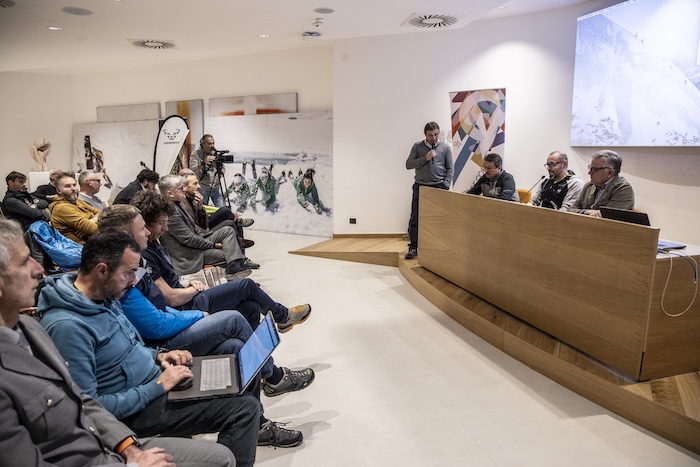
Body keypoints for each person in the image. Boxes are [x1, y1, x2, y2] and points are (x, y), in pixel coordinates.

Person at [0, 218, 237, 467]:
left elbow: (81, 400)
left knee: (231, 358)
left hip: (118, 431)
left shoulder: (28, 328)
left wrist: (127, 445)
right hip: (120, 427)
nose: (39, 269)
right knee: (229, 435)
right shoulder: (64, 326)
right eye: (24, 261)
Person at [98, 204, 313, 447]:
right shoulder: (123, 277)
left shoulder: (134, 266)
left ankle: (258, 424)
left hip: (165, 336)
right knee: (234, 317)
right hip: (162, 345)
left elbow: (160, 308)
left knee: (237, 341)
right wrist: (197, 315)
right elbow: (155, 324)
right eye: (142, 228)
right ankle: (273, 376)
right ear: (124, 236)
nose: (148, 231)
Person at [127, 190, 312, 334]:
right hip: (186, 305)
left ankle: (253, 361)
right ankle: (283, 316)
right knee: (246, 286)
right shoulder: (145, 252)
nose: (166, 228)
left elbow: (167, 285)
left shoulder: (151, 244)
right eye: (161, 223)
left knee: (251, 307)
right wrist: (193, 290)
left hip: (187, 296)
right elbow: (171, 298)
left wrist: (187, 285)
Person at [157, 174, 251, 280]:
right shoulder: (171, 212)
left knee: (228, 230)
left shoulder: (179, 204)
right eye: (180, 188)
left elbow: (196, 227)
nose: (184, 189)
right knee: (230, 256)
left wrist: (200, 208)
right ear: (170, 194)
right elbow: (190, 240)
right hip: (189, 255)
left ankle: (236, 274)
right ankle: (237, 279)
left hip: (196, 242)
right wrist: (214, 245)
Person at [405, 122, 454, 259]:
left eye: (436, 134)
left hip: (439, 186)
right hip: (421, 186)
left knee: (439, 218)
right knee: (416, 217)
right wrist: (425, 158)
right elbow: (409, 164)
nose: (434, 138)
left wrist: (446, 184)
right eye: (430, 135)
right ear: (425, 135)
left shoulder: (445, 147)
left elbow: (450, 168)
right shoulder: (417, 146)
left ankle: (437, 247)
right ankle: (413, 247)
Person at [567, 149, 635, 217]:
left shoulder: (623, 189)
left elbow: (610, 217)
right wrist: (587, 211)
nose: (589, 172)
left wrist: (586, 212)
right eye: (590, 168)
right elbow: (571, 210)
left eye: (594, 169)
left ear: (610, 173)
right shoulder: (589, 186)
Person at [49, 172, 100, 243]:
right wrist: (93, 220)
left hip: (94, 240)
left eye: (74, 185)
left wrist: (91, 221)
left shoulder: (77, 201)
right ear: (59, 191)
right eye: (67, 186)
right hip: (83, 246)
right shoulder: (62, 208)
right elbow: (93, 229)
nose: (73, 188)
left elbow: (101, 212)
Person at [190, 134, 225, 207]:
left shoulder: (216, 154)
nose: (212, 146)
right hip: (203, 187)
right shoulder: (195, 154)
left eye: (213, 143)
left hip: (216, 187)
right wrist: (203, 162)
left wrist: (221, 173)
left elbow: (223, 168)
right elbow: (192, 169)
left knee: (222, 209)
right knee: (202, 209)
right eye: (209, 144)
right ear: (202, 144)